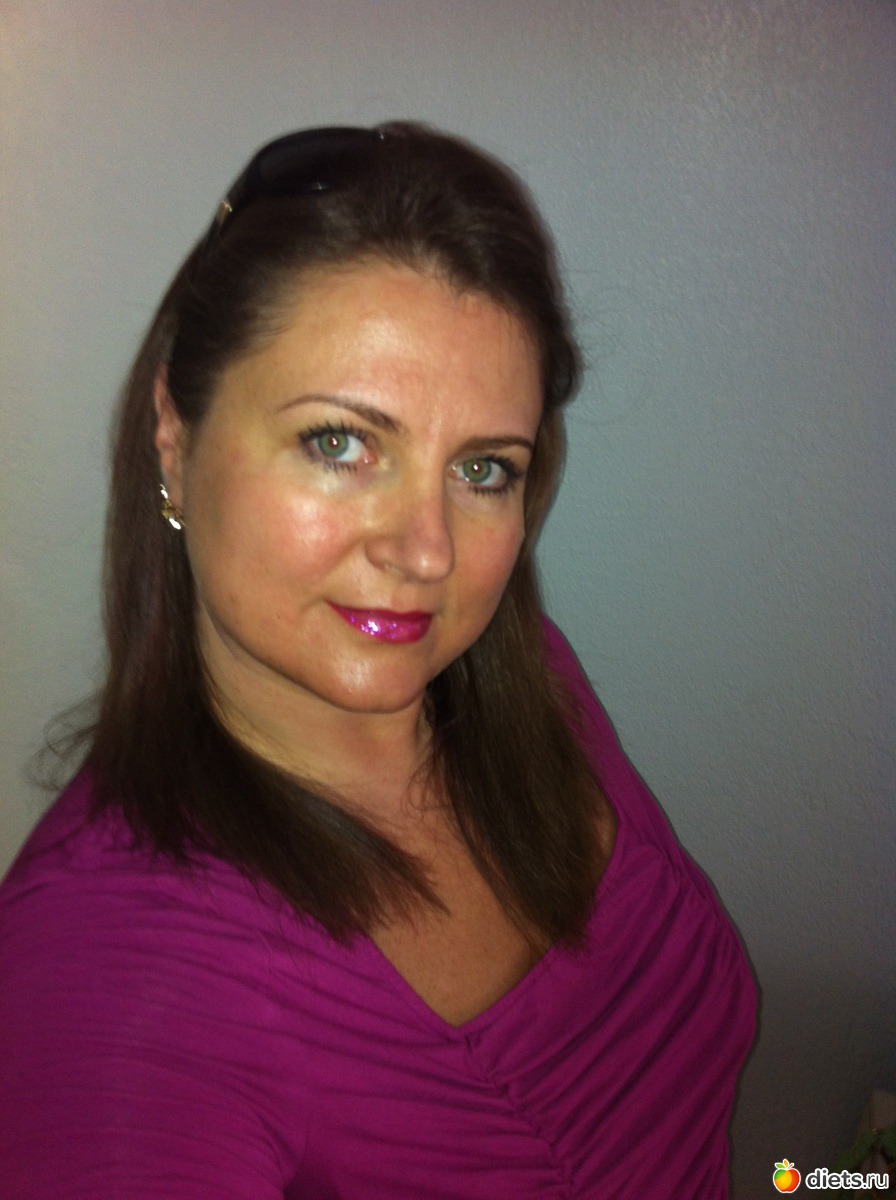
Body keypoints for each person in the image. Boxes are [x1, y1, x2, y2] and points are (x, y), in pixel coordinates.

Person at [0, 123, 755, 1198]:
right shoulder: (102, 994)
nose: (427, 553)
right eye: (340, 443)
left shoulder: (525, 681)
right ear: (174, 435)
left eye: (483, 470)